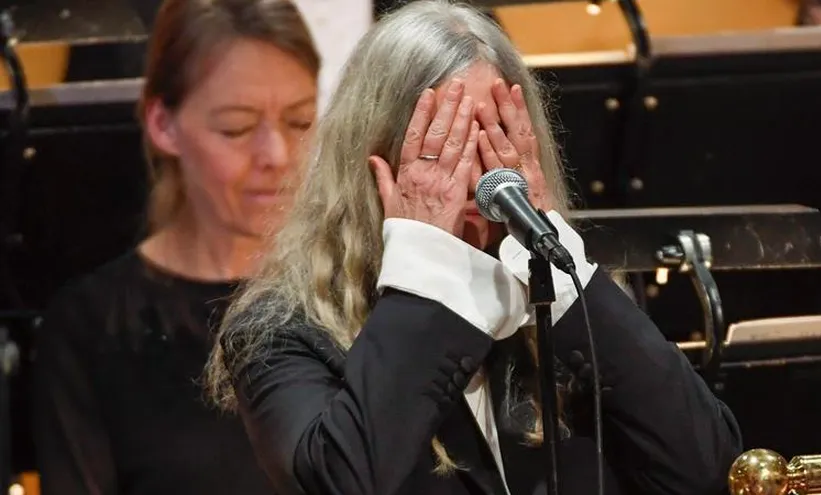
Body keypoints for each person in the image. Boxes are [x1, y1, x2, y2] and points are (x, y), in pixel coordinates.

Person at [206, 1, 743, 494]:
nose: (478, 178)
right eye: (446, 144)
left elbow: (706, 469)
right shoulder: (280, 331)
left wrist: (561, 279)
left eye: (494, 139)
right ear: (375, 157)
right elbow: (345, 481)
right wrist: (426, 265)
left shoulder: (571, 291)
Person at [31, 0, 320, 494]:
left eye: (300, 121)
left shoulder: (347, 292)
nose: (276, 155)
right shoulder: (92, 328)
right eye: (236, 127)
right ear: (163, 124)